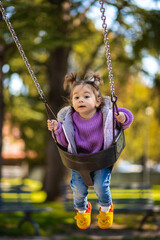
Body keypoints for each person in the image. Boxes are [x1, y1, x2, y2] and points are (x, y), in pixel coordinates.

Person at [47, 72, 133, 230]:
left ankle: (106, 207)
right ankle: (82, 209)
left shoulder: (106, 114)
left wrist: (123, 117)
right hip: (80, 161)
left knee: (101, 186)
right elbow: (64, 142)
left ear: (98, 101)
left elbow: (125, 119)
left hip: (101, 159)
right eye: (76, 97)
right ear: (72, 102)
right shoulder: (69, 120)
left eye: (86, 96)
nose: (81, 100)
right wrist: (57, 130)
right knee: (78, 189)